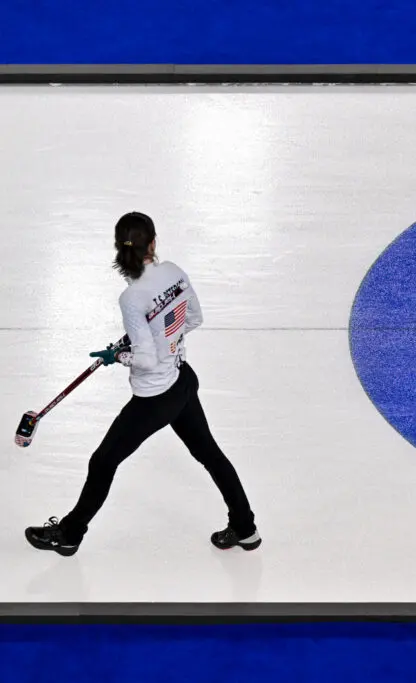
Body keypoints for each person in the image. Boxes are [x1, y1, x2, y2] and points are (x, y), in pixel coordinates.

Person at [25, 212, 260, 556]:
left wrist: (120, 356)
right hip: (182, 382)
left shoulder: (132, 297)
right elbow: (192, 318)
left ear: (120, 249)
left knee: (103, 462)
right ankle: (246, 528)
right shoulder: (174, 272)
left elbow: (147, 360)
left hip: (155, 398)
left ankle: (70, 534)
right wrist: (152, 340)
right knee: (211, 455)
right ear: (153, 242)